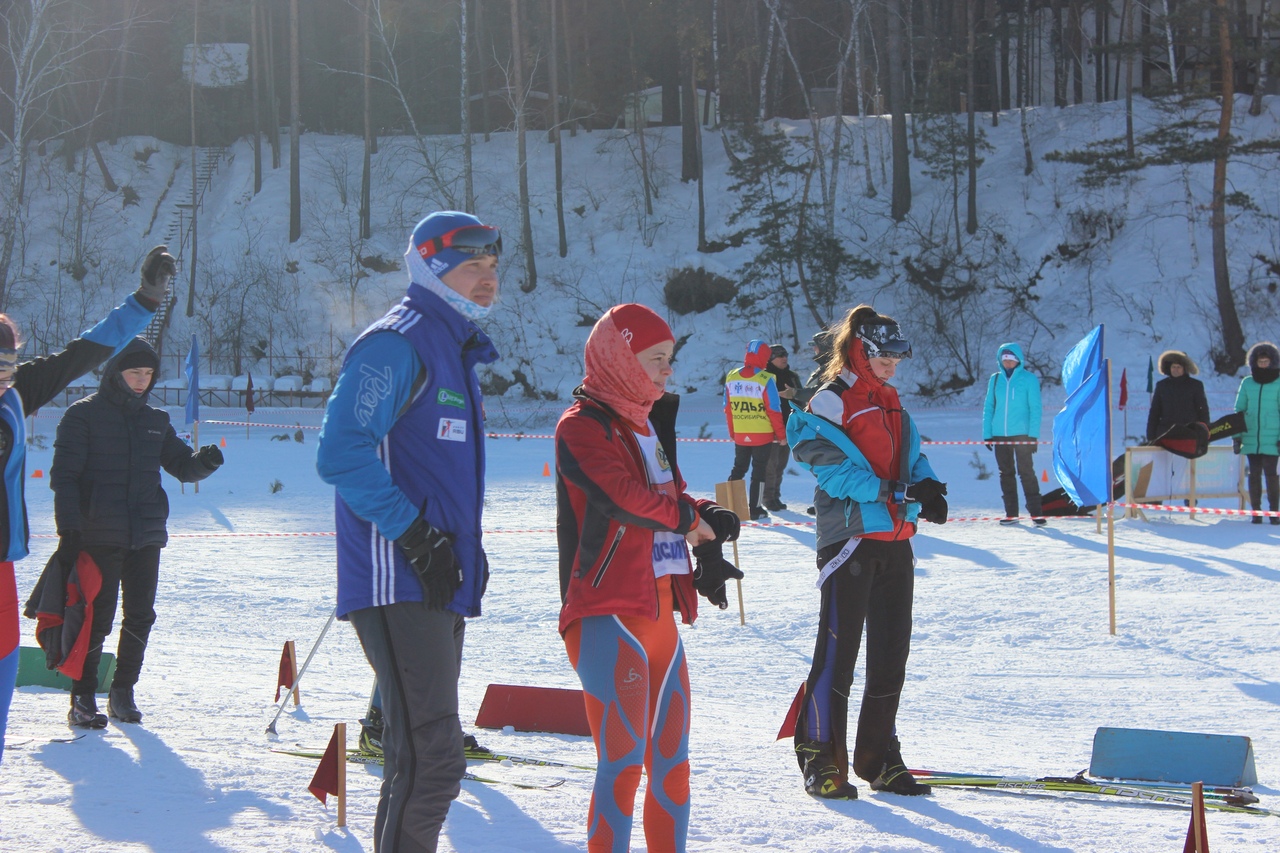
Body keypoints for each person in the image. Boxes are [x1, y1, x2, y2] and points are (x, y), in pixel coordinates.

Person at [316, 211, 500, 853]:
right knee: (434, 761)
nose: (488, 277)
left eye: (493, 264)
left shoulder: (452, 349)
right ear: (431, 265)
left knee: (413, 759)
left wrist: (458, 552)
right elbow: (341, 454)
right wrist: (418, 538)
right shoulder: (397, 343)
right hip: (400, 576)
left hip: (437, 578)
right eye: (472, 264)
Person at [555, 303, 742, 853]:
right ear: (620, 359)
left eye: (670, 360)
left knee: (673, 766)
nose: (667, 372)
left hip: (661, 616)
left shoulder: (645, 422)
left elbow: (669, 495)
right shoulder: (581, 427)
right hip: (607, 615)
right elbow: (621, 498)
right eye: (656, 360)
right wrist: (687, 519)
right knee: (622, 765)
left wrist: (707, 514)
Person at [0, 245, 167, 760]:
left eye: (8, 363)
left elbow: (85, 352)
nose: (5, 374)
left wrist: (143, 301)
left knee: (4, 663)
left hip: (1, 560)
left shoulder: (17, 392)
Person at [787, 304, 946, 800]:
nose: (892, 366)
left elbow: (912, 453)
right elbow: (829, 468)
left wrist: (927, 483)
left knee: (889, 658)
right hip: (850, 540)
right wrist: (894, 491)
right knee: (838, 654)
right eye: (884, 358)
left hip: (895, 541)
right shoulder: (832, 401)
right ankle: (819, 757)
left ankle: (879, 758)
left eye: (898, 359)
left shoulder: (892, 399)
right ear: (860, 350)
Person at [43, 337, 223, 727]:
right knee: (96, 618)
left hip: (146, 534)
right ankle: (83, 697)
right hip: (97, 534)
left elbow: (181, 465)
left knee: (141, 615)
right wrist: (69, 528)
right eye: (134, 372)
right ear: (115, 373)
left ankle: (123, 692)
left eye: (148, 373)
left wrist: (204, 463)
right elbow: (64, 478)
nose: (142, 380)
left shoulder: (154, 420)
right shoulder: (82, 416)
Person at [981, 343, 1045, 526]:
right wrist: (988, 434)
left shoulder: (1029, 379)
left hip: (1022, 435)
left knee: (1027, 473)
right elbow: (989, 408)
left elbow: (1035, 408)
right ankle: (1011, 513)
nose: (1008, 363)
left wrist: (1033, 435)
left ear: (1018, 360)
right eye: (1005, 359)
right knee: (1005, 474)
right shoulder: (994, 380)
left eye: (1011, 359)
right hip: (1000, 434)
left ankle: (1036, 513)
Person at [724, 339, 787, 519]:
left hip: (741, 433)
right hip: (762, 435)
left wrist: (732, 432)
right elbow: (774, 410)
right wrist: (781, 435)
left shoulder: (731, 376)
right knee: (758, 472)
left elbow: (727, 408)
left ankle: (731, 505)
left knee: (738, 468)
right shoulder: (765, 379)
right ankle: (755, 508)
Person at [1233, 342, 1280, 526]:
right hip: (1251, 435)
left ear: (1272, 361)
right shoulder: (1247, 382)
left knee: (1271, 475)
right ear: (1254, 362)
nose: (1263, 364)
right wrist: (1237, 436)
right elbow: (1239, 409)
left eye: (1266, 361)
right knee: (1254, 475)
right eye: (1260, 361)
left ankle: (1275, 512)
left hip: (1273, 437)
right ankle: (1256, 512)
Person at [763, 344, 802, 511]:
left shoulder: (792, 376)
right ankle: (766, 498)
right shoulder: (764, 377)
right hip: (769, 427)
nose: (784, 357)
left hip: (788, 427)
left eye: (785, 354)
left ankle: (775, 496)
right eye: (779, 355)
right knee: (769, 467)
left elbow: (801, 397)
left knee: (780, 465)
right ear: (770, 359)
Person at [1146, 350, 1210, 443]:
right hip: (1165, 434)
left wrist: (1204, 432)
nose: (1175, 369)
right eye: (1173, 367)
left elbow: (1203, 411)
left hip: (1189, 435)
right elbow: (1154, 412)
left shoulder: (1195, 386)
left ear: (1185, 368)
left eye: (1178, 367)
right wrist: (1151, 436)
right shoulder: (1162, 386)